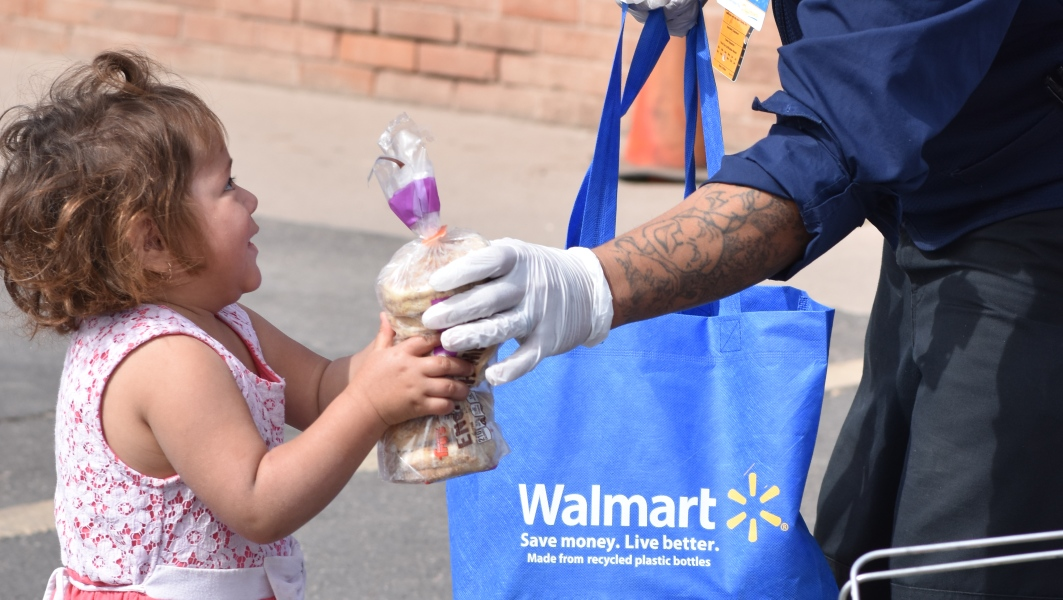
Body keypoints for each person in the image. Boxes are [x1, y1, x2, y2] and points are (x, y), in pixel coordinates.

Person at [420, 0, 1063, 598]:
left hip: (1033, 215)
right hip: (937, 192)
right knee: (859, 550)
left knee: (957, 567)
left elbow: (833, 146)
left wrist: (597, 283)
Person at [0, 50, 473, 600]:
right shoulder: (166, 359)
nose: (250, 198)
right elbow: (258, 502)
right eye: (226, 186)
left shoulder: (224, 321)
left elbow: (322, 389)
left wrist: (402, 348)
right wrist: (371, 404)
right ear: (152, 242)